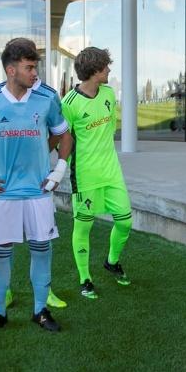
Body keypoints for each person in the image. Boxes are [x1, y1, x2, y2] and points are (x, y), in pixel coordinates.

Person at [0, 37, 72, 334]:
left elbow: (64, 135)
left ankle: (40, 310)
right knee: (0, 252)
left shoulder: (46, 98)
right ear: (11, 70)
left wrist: (57, 171)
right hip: (2, 193)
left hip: (37, 191)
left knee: (41, 249)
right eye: (29, 67)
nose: (34, 73)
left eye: (35, 67)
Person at [61, 47, 133, 299]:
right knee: (84, 228)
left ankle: (111, 262)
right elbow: (65, 140)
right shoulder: (68, 104)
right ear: (93, 72)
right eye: (105, 67)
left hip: (112, 172)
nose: (109, 70)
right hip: (85, 176)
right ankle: (85, 278)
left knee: (125, 221)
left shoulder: (109, 94)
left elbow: (110, 129)